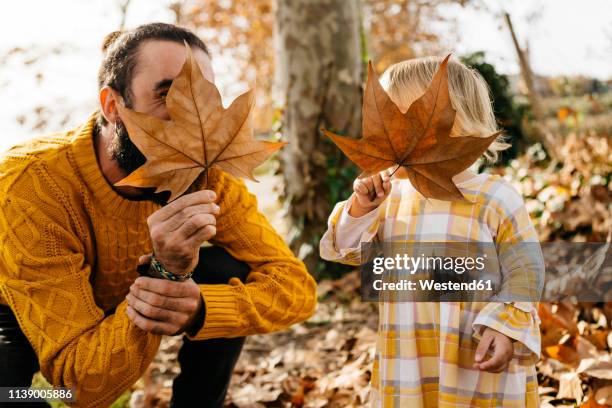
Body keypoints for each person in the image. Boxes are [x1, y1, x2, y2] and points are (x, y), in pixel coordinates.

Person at [0, 23, 317, 408]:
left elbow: (297, 288)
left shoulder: (208, 179)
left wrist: (201, 309)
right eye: (168, 94)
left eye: (203, 98)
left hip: (124, 300)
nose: (190, 116)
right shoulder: (33, 182)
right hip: (17, 317)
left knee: (223, 272)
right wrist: (165, 270)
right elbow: (83, 386)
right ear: (112, 105)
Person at [320, 56, 544, 407]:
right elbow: (342, 250)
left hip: (473, 356)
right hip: (408, 359)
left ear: (454, 127)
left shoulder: (494, 198)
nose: (388, 140)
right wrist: (362, 210)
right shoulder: (390, 201)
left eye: (401, 130)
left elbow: (526, 271)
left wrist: (505, 325)